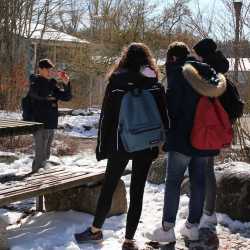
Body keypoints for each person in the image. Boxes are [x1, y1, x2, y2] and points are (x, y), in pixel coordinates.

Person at [74, 43, 169, 250]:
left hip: (120, 143)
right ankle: (129, 240)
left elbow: (106, 117)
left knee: (109, 187)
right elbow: (164, 116)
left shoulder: (116, 82)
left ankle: (96, 231)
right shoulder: (155, 85)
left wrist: (101, 147)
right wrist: (165, 140)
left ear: (125, 59)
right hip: (147, 143)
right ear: (147, 60)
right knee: (137, 192)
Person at [147, 42, 227, 243]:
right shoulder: (207, 71)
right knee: (198, 181)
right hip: (205, 138)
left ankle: (167, 228)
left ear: (172, 58)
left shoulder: (177, 73)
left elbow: (172, 108)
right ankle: (192, 226)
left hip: (182, 137)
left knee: (173, 182)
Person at [192, 38, 230, 229]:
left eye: (197, 53)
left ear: (203, 54)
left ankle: (206, 212)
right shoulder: (221, 70)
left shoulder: (207, 71)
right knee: (208, 170)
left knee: (203, 170)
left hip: (206, 126)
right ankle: (208, 211)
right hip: (217, 126)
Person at [29, 59, 72, 173]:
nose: (50, 71)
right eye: (48, 69)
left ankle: (40, 175)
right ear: (41, 69)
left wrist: (66, 84)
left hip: (51, 122)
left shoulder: (51, 83)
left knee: (46, 153)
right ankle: (34, 177)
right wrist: (50, 97)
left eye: (51, 69)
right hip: (39, 123)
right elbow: (37, 95)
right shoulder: (35, 82)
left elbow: (66, 97)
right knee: (40, 154)